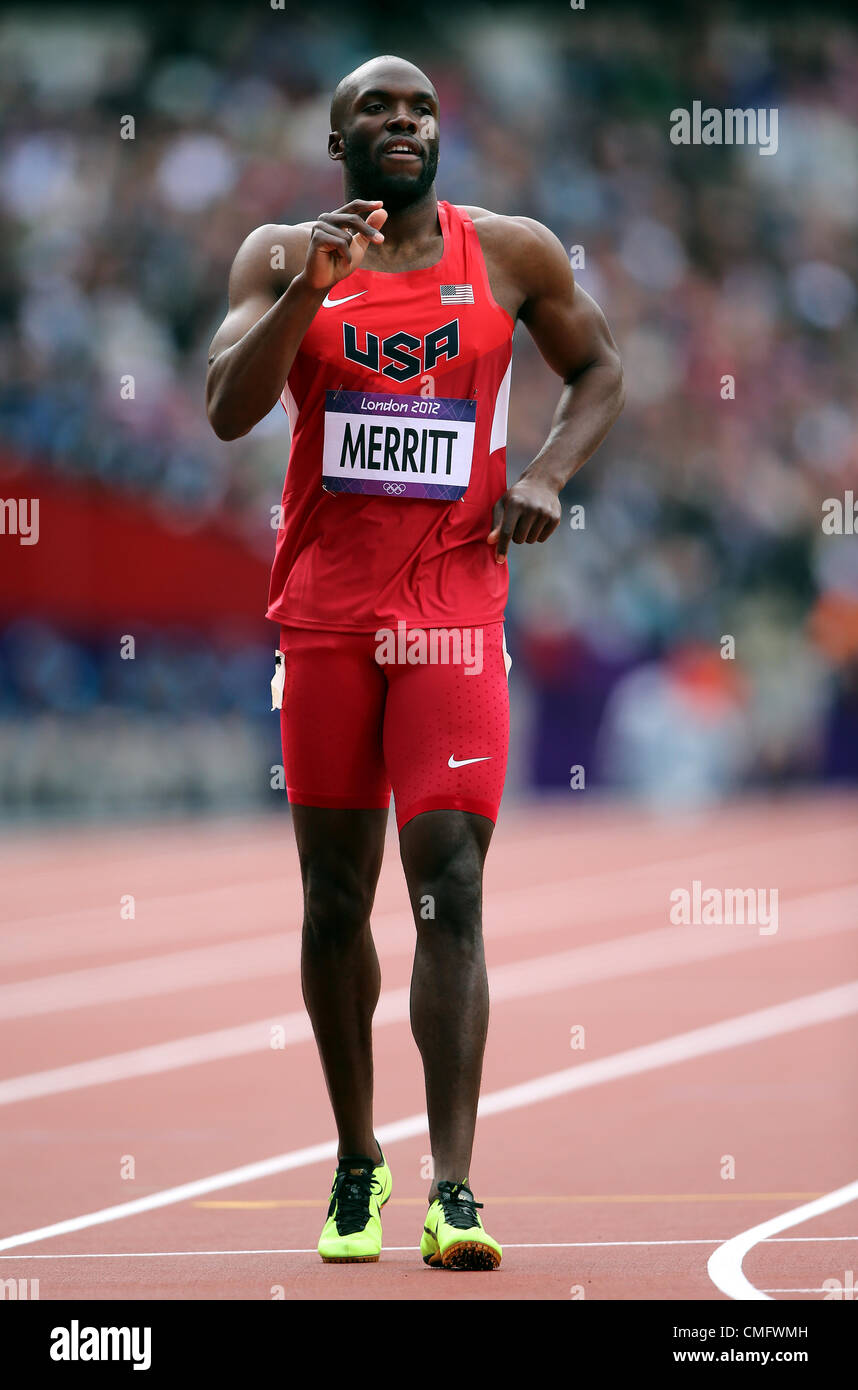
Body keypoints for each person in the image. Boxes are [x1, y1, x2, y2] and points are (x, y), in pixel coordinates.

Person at [206, 53, 623, 1271]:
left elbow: (601, 369)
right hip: (328, 617)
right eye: (374, 110)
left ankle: (456, 1187)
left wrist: (545, 471)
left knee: (451, 880)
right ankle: (355, 1159)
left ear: (441, 133)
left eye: (420, 108)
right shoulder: (281, 255)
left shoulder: (510, 252)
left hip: (451, 608)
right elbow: (230, 405)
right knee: (337, 901)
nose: (402, 122)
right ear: (337, 141)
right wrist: (310, 292)